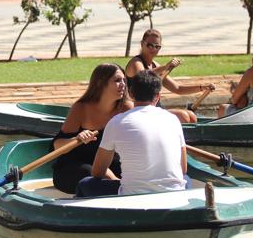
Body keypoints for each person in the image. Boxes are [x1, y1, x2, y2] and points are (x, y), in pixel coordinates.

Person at [76, 70, 188, 198]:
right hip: (174, 193)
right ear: (158, 97)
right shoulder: (173, 119)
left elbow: (97, 172)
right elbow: (183, 169)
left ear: (131, 93)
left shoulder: (116, 122)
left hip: (132, 196)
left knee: (85, 184)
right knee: (187, 179)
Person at [50, 63, 128, 194]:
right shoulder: (81, 108)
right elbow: (57, 146)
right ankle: (120, 192)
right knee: (94, 175)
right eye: (117, 80)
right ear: (100, 83)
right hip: (75, 166)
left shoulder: (127, 108)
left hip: (109, 164)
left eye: (124, 80)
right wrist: (77, 138)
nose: (123, 84)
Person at [124, 29, 210, 124]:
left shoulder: (155, 65)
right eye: (150, 45)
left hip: (155, 109)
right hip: (140, 110)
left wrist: (202, 87)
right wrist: (165, 67)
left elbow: (178, 89)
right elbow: (144, 76)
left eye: (157, 46)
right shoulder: (136, 62)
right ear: (142, 44)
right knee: (184, 116)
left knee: (192, 116)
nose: (153, 49)